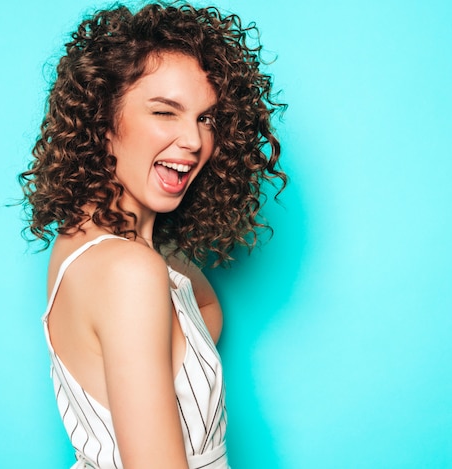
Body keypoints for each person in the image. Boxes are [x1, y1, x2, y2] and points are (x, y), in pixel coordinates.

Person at [19, 3, 286, 468]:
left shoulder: (96, 244)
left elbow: (203, 309)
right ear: (103, 122)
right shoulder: (129, 269)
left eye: (206, 118)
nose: (194, 141)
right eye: (166, 112)